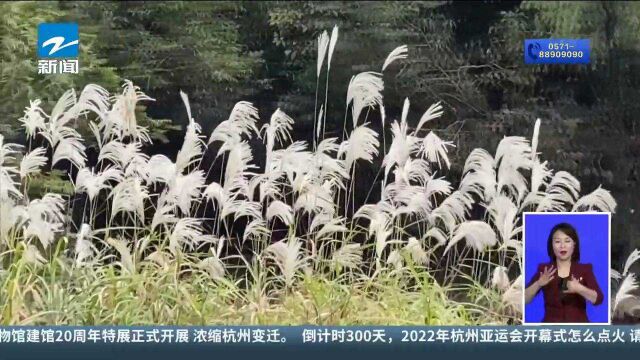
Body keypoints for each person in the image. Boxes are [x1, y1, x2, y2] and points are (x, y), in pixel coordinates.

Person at [524, 222, 604, 323]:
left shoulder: (584, 269)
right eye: (557, 242)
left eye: (567, 241)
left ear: (574, 244)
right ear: (552, 245)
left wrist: (579, 288)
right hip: (552, 331)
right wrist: (538, 284)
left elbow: (598, 299)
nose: (562, 246)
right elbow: (524, 299)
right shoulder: (545, 270)